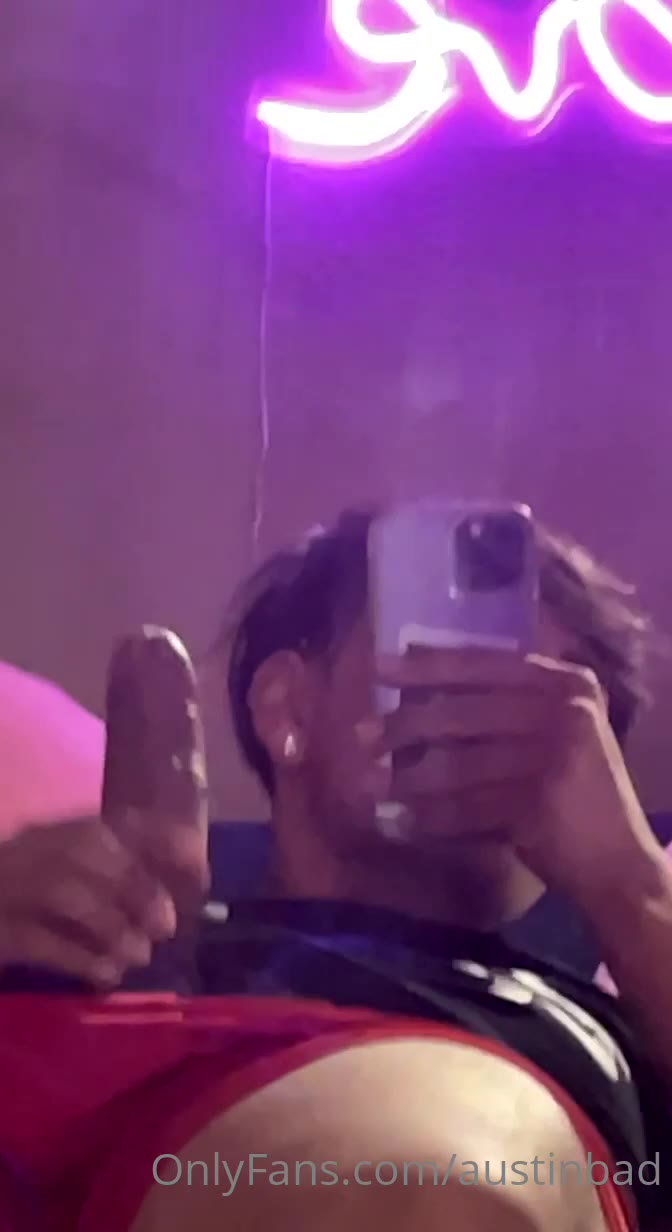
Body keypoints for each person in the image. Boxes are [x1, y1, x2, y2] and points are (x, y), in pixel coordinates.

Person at [0, 509, 670, 1232]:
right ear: (288, 708)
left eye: (563, 710)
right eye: (456, 666)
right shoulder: (116, 935)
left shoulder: (626, 1018)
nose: (508, 727)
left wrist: (630, 887)